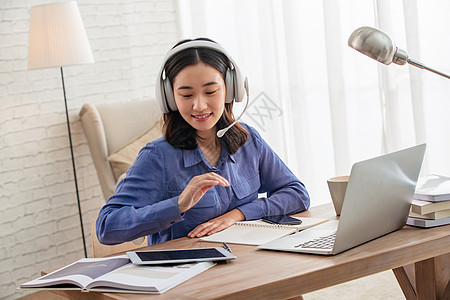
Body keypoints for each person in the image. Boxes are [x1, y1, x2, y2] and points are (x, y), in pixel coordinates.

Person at [96, 38, 310, 245]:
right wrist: (178, 205)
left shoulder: (247, 139)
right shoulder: (157, 156)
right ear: (170, 98)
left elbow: (297, 194)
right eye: (186, 95)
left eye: (210, 92)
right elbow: (106, 227)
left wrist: (239, 214)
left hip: (248, 263)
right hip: (186, 271)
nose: (199, 105)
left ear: (230, 89)